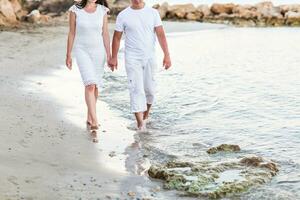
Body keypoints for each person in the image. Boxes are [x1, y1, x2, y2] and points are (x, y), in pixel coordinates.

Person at [109, 0, 172, 132]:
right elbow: (116, 38)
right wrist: (114, 57)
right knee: (136, 89)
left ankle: (145, 116)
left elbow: (161, 34)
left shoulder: (153, 13)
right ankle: (140, 124)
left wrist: (167, 55)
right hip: (132, 58)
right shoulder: (123, 15)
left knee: (150, 91)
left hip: (149, 57)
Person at [66, 0, 112, 133]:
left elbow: (105, 33)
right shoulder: (75, 10)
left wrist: (109, 55)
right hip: (82, 51)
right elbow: (72, 33)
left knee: (95, 85)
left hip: (99, 52)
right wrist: (68, 54)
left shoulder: (102, 10)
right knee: (90, 85)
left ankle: (90, 115)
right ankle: (95, 120)